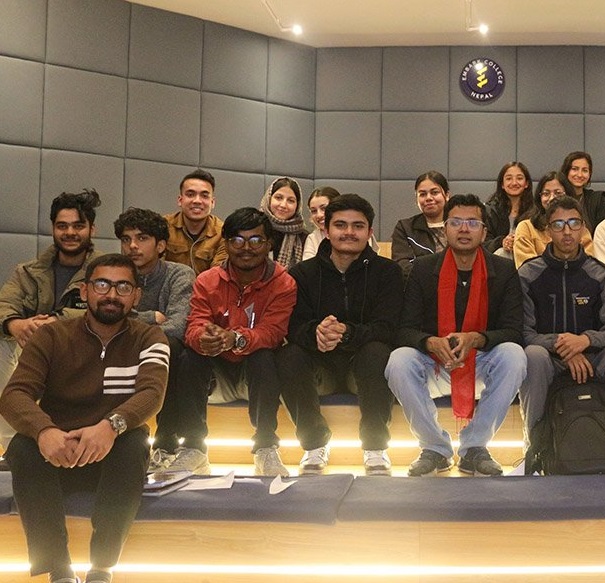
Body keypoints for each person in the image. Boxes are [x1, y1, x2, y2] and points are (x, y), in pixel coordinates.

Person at [0, 253, 169, 583]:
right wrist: (44, 431)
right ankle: (59, 571)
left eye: (123, 287)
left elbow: (152, 394)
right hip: (57, 451)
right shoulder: (51, 336)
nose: (112, 294)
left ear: (136, 296)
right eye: (102, 284)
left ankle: (101, 570)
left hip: (113, 454)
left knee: (136, 442)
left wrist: (111, 426)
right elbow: (14, 395)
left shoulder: (150, 338)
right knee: (21, 448)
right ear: (84, 291)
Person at [386, 194, 527, 477]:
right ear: (445, 229)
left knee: (514, 355)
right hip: (435, 364)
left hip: (481, 363)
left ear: (484, 232)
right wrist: (429, 342)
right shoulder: (423, 269)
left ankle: (474, 448)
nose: (464, 229)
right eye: (456, 222)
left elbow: (514, 331)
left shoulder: (503, 270)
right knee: (399, 361)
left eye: (473, 223)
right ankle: (435, 448)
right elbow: (404, 329)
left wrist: (476, 339)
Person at [180, 208, 327, 477]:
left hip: (257, 374)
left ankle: (265, 447)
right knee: (189, 356)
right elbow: (195, 324)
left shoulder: (283, 282)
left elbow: (273, 332)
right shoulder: (207, 280)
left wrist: (236, 338)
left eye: (256, 240)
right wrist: (205, 338)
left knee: (266, 354)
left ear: (269, 244)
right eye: (237, 240)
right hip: (217, 372)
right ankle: (193, 448)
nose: (246, 248)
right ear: (226, 243)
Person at [277, 194, 404, 475]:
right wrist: (316, 333)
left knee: (379, 352)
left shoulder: (388, 273)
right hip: (320, 367)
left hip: (364, 367)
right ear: (326, 230)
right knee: (288, 354)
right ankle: (314, 444)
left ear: (370, 232)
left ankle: (375, 447)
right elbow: (293, 326)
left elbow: (388, 327)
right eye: (340, 225)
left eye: (358, 226)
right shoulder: (302, 274)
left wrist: (346, 333)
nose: (349, 232)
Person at [517, 196, 605, 446]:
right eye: (558, 225)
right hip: (549, 359)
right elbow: (524, 333)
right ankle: (534, 447)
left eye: (573, 223)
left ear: (583, 228)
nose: (567, 231)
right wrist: (565, 347)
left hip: (593, 357)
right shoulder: (528, 274)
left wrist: (584, 341)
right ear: (548, 230)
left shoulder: (601, 275)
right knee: (532, 355)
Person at [0, 189, 103, 470]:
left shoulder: (105, 271)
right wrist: (16, 324)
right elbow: (4, 304)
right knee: (2, 343)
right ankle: (14, 446)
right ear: (53, 228)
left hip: (86, 354)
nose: (69, 232)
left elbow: (113, 310)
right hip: (36, 354)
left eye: (78, 226)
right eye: (62, 226)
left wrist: (56, 322)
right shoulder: (28, 271)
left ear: (92, 229)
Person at [113, 208, 200, 473]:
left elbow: (178, 327)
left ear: (161, 245)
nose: (132, 246)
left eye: (141, 238)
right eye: (126, 239)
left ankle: (166, 445)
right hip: (117, 351)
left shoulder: (179, 274)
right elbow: (103, 319)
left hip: (159, 356)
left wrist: (131, 324)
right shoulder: (114, 274)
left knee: (170, 348)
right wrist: (151, 316)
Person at [513, 172, 594, 268]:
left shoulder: (579, 228)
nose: (551, 198)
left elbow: (589, 266)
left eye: (558, 193)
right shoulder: (526, 227)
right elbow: (527, 269)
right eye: (546, 194)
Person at [165, 168, 228, 274]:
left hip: (206, 285)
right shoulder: (163, 226)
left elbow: (217, 275)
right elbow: (156, 269)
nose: (197, 201)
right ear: (180, 200)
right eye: (190, 195)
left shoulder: (224, 233)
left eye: (204, 196)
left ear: (212, 202)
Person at [391, 171, 451, 276]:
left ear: (446, 195)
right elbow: (402, 264)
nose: (428, 198)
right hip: (418, 284)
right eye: (422, 194)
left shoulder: (459, 225)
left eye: (434, 192)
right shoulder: (405, 228)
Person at [303, 187, 380, 261]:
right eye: (314, 211)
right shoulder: (312, 238)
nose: (319, 215)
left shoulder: (361, 233)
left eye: (324, 208)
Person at [484, 161, 534, 258]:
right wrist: (502, 242)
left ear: (527, 183)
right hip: (497, 259)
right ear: (502, 184)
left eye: (519, 178)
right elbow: (483, 243)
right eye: (509, 179)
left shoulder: (536, 211)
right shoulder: (489, 211)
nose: (514, 183)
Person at [259, 176, 309, 271]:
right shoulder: (255, 228)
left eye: (291, 201)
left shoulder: (304, 237)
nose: (283, 205)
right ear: (269, 199)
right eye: (278, 198)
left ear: (297, 205)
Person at [560, 151, 605, 234]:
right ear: (566, 171)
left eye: (585, 170)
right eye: (574, 169)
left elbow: (604, 233)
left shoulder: (598, 200)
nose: (580, 175)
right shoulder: (558, 199)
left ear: (589, 174)